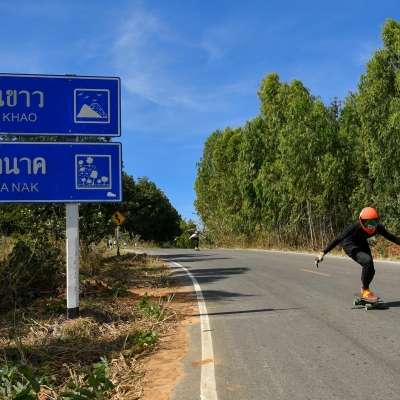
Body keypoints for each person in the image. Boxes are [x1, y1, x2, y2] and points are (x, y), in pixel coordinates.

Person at [316, 207, 400, 301]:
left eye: (373, 223)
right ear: (361, 221)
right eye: (367, 223)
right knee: (367, 261)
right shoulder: (354, 227)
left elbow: (394, 239)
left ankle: (364, 286)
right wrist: (323, 252)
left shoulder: (378, 228)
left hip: (362, 244)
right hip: (350, 245)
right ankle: (365, 290)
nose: (370, 226)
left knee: (371, 270)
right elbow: (338, 239)